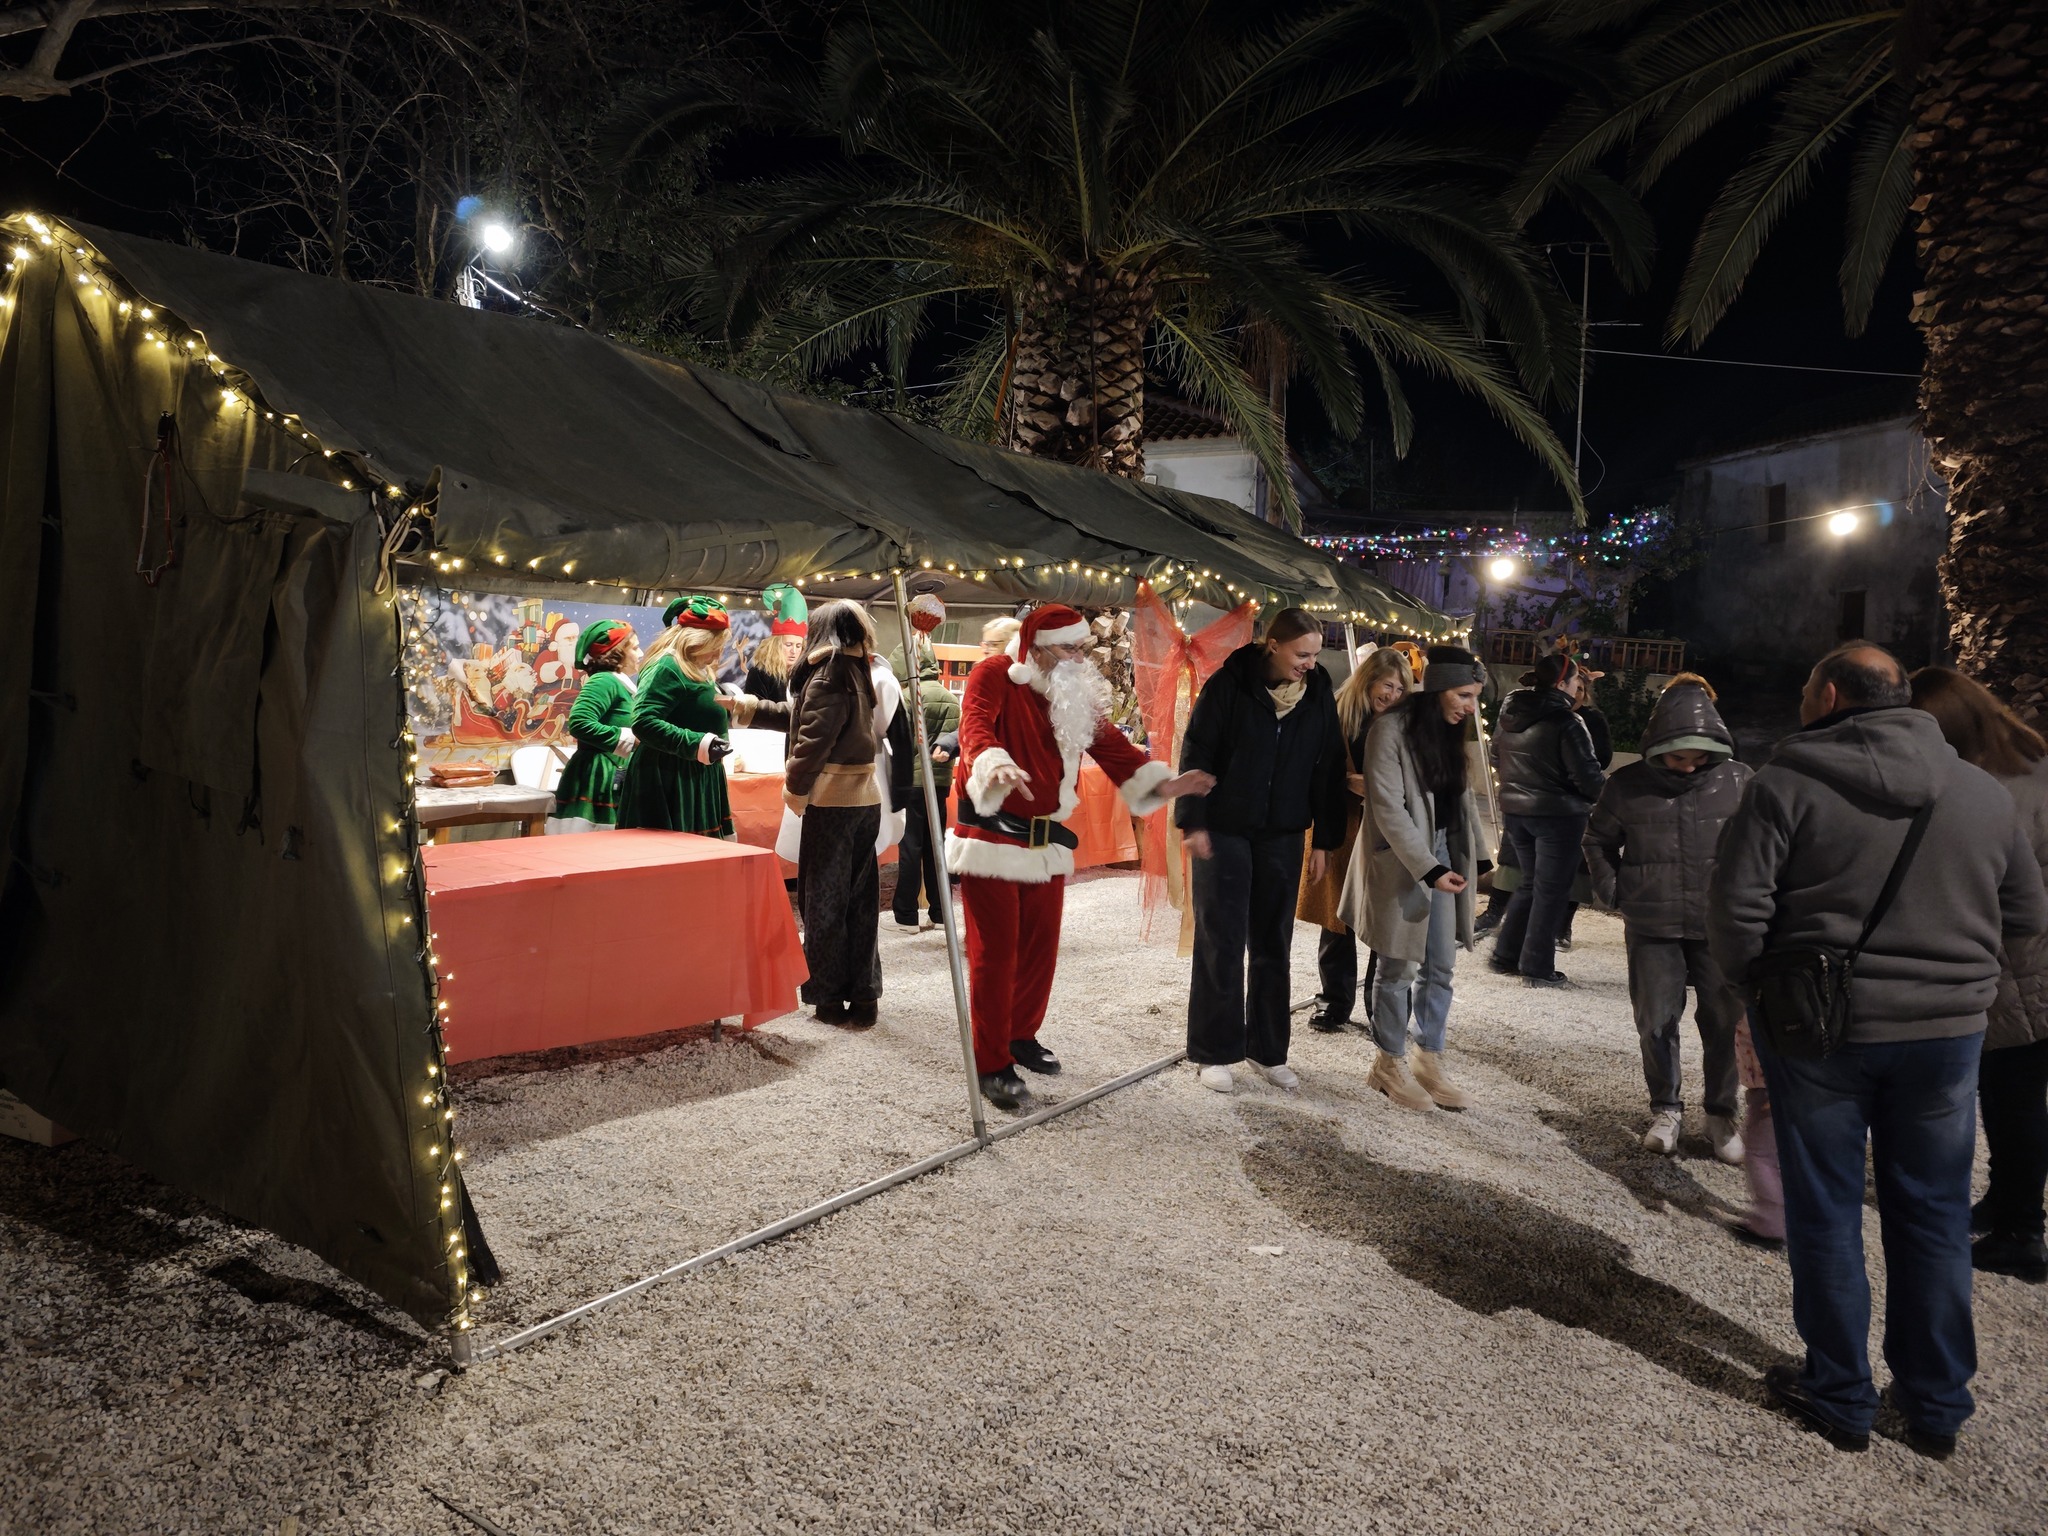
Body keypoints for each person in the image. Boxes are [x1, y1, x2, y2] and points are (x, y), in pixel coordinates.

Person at [1710, 643, 2048, 1458]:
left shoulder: (1784, 785)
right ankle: (1935, 1406)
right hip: (1945, 1038)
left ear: (1829, 696)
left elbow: (1735, 914)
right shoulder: (1982, 792)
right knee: (1933, 1214)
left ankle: (1839, 1392)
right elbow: (2028, 916)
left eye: (1804, 686)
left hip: (1819, 1032)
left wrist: (1757, 987)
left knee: (1826, 1208)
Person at [950, 603, 1209, 1111]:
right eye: (1070, 648)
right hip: (992, 838)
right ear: (1037, 648)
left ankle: (1020, 1035)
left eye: (1082, 648)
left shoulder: (1072, 692)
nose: (1079, 658)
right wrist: (991, 762)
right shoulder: (996, 673)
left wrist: (1167, 785)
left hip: (1046, 839)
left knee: (1040, 949)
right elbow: (975, 726)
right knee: (996, 954)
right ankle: (991, 1062)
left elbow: (1112, 748)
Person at [1910, 665, 2048, 1283]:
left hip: (2018, 968)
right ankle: (2008, 1200)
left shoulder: (1989, 791)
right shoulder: (2032, 766)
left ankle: (2022, 1232)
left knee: (2014, 1098)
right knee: (2014, 1093)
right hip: (2032, 962)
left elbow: (1996, 890)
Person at [1583, 673, 1751, 1162]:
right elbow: (1597, 840)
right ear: (1658, 746)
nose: (1690, 765)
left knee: (1724, 1022)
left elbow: (1764, 847)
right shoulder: (1626, 785)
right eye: (1679, 757)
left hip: (1719, 926)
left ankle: (1721, 1113)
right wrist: (1616, 892)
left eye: (1699, 755)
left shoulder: (1740, 781)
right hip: (1652, 924)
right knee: (1655, 1020)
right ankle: (1666, 1109)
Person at [1179, 609, 1347, 1093]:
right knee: (1221, 939)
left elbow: (1328, 765)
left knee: (1274, 942)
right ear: (1273, 645)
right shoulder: (1227, 684)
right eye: (1302, 654)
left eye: (1315, 655)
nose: (1310, 664)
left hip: (1284, 833)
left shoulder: (1317, 691)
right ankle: (1214, 1052)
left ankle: (1268, 1051)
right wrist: (1193, 821)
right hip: (1224, 829)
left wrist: (1325, 840)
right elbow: (1197, 751)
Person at [1340, 645, 1488, 1112]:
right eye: (1463, 695)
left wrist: (1479, 856)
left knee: (1441, 964)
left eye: (1475, 697)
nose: (1470, 707)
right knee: (1399, 964)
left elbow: (1460, 800)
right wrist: (1430, 868)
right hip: (1401, 860)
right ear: (1440, 688)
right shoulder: (1389, 729)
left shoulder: (1449, 731)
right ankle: (1388, 1062)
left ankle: (1429, 1057)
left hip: (1442, 853)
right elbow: (1387, 808)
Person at [784, 601, 887, 1026]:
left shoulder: (828, 672)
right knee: (860, 902)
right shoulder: (857, 667)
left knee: (823, 902)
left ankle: (827, 998)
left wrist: (795, 787)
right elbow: (815, 721)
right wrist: (749, 709)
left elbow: (813, 740)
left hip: (832, 802)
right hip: (864, 799)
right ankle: (864, 997)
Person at [1299, 647, 1410, 1032]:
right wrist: (1346, 781)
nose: (1392, 695)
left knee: (1386, 919)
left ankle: (1383, 1008)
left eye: (1400, 688)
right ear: (1368, 680)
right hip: (1341, 825)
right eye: (1387, 685)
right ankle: (1334, 1002)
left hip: (1388, 830)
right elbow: (1312, 770)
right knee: (1337, 917)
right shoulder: (1337, 713)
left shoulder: (1407, 724)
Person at [615, 596, 778, 836]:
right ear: (698, 640)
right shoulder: (667, 666)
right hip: (671, 778)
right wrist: (698, 744)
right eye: (715, 646)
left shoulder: (694, 667)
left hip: (693, 774)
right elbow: (644, 722)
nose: (717, 655)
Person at [1490, 652, 1605, 986]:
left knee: (1530, 883)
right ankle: (1537, 966)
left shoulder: (1510, 714)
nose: (1578, 686)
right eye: (1576, 680)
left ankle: (1506, 955)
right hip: (1559, 816)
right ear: (1562, 683)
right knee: (1551, 891)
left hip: (1516, 813)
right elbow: (1587, 776)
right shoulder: (1567, 721)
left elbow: (1496, 756)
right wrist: (1604, 797)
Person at [891, 637, 962, 933]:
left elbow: (899, 744)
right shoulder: (950, 698)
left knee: (910, 847)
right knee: (936, 846)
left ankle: (906, 916)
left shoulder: (906, 697)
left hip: (912, 783)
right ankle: (940, 912)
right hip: (940, 783)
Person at [546, 620, 640, 834]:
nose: (640, 653)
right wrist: (629, 739)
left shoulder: (618, 683)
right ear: (616, 653)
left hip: (612, 772)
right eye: (634, 648)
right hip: (598, 775)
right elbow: (580, 722)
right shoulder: (604, 681)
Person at [742, 582, 808, 720]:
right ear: (776, 646)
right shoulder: (760, 673)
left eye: (798, 646)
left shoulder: (804, 675)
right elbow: (754, 712)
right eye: (788, 644)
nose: (794, 651)